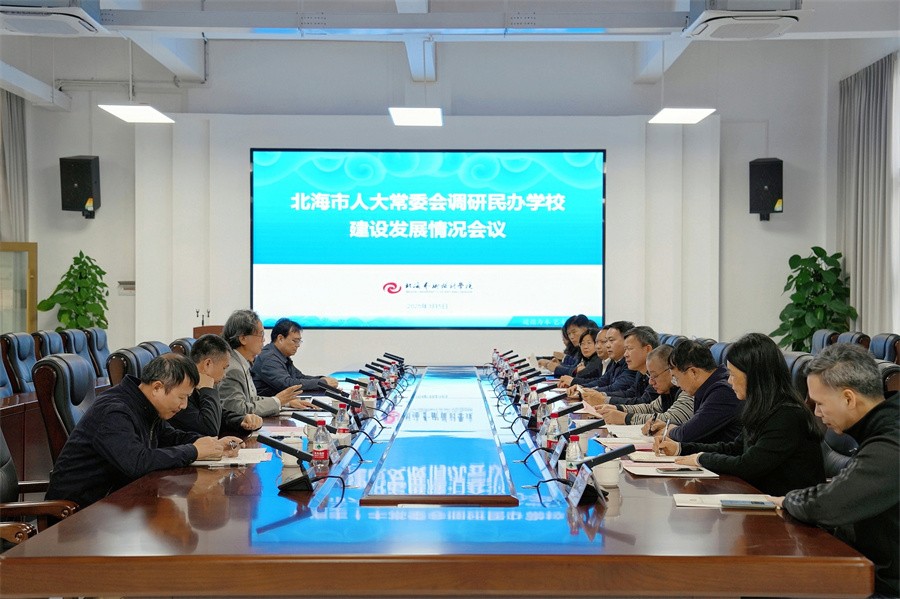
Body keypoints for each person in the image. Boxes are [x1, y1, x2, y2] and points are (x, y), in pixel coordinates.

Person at [769, 344, 898, 597]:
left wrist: (788, 500)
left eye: (819, 403)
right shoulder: (883, 425)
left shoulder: (892, 440)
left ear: (848, 398)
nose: (816, 413)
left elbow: (830, 504)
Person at [45, 354, 242, 508]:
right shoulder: (114, 411)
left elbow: (170, 437)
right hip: (78, 516)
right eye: (182, 397)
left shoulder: (144, 405)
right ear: (157, 387)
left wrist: (213, 444)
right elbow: (137, 462)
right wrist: (194, 451)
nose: (184, 406)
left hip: (117, 506)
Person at [654, 333, 825, 496]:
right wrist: (681, 448)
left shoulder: (786, 415)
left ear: (754, 377)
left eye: (733, 375)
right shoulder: (760, 407)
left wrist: (701, 458)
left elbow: (747, 466)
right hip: (761, 498)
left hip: (786, 509)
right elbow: (734, 449)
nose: (729, 381)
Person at [216, 309, 313, 417]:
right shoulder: (233, 368)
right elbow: (238, 410)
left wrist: (285, 402)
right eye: (261, 334)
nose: (263, 340)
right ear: (243, 338)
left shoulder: (242, 362)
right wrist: (277, 401)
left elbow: (252, 399)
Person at [647, 339, 741, 444]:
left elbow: (687, 434)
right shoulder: (709, 387)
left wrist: (669, 431)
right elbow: (697, 427)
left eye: (676, 378)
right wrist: (668, 427)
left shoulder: (723, 393)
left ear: (693, 372)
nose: (677, 385)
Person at [169, 334, 263, 436]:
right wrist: (208, 390)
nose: (225, 375)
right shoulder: (182, 390)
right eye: (224, 368)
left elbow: (219, 415)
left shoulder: (197, 386)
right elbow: (209, 430)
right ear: (207, 364)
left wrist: (242, 420)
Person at [598, 344, 694, 426]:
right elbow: (650, 408)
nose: (651, 382)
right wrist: (618, 408)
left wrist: (626, 418)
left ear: (671, 371)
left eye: (654, 376)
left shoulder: (688, 391)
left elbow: (670, 418)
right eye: (649, 376)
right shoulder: (668, 391)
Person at [250, 317, 339, 396]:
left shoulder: (281, 356)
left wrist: (322, 379)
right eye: (295, 341)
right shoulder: (269, 358)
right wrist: (322, 383)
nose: (298, 345)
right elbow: (288, 384)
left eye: (299, 341)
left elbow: (299, 377)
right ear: (280, 338)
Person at [580, 326, 658, 406]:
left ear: (648, 349)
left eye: (629, 349)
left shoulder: (657, 373)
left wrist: (604, 400)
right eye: (625, 349)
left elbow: (644, 402)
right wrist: (601, 395)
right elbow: (630, 393)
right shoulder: (640, 372)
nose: (625, 354)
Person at [560, 320, 637, 393]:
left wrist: (583, 391)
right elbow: (602, 381)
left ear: (627, 341)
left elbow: (616, 388)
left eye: (611, 340)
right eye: (597, 342)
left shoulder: (631, 363)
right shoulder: (616, 362)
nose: (607, 345)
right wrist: (580, 387)